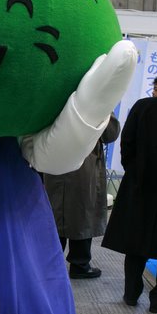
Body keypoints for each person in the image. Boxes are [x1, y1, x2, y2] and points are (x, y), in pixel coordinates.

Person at [102, 63, 157, 313]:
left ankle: (131, 294)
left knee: (136, 243)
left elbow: (126, 144)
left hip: (140, 186)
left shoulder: (142, 107)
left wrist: (134, 171)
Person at [43, 113, 120, 279]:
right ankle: (80, 263)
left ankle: (50, 263)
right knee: (82, 213)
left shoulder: (55, 97)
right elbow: (110, 134)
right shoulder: (96, 100)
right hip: (83, 162)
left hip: (55, 159)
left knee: (56, 211)